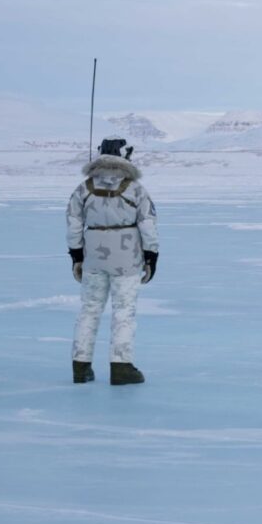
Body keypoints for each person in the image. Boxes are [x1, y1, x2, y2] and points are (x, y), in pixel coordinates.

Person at [67, 138, 159, 385]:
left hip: (94, 256)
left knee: (89, 309)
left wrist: (76, 256)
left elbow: (73, 223)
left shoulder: (84, 188)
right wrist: (151, 256)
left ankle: (80, 366)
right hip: (127, 258)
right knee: (124, 311)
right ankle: (121, 367)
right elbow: (148, 224)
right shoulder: (135, 189)